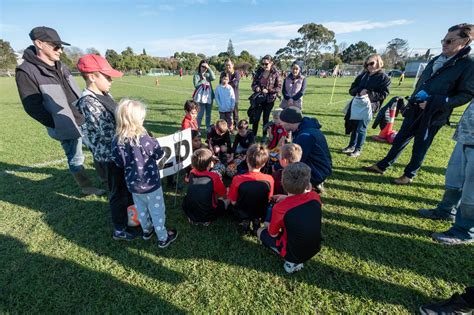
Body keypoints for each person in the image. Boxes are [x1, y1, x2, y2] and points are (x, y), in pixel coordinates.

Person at [364, 23, 474, 184]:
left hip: (433, 114)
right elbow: (422, 83)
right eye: (443, 40)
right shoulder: (436, 59)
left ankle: (409, 175)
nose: (444, 44)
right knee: (400, 138)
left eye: (450, 41)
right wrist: (412, 102)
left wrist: (436, 103)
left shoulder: (468, 64)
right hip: (415, 109)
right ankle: (382, 165)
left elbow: (466, 95)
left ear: (465, 41)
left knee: (420, 146)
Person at [15, 26, 104, 196]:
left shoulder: (62, 65)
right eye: (56, 46)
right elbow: (32, 106)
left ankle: (106, 178)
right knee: (76, 157)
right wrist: (56, 122)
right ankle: (87, 187)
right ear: (39, 43)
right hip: (64, 124)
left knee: (98, 149)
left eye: (61, 46)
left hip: (84, 117)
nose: (60, 50)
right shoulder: (25, 71)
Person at [75, 54, 136, 240]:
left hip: (121, 153)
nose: (111, 81)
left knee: (127, 189)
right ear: (92, 76)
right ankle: (120, 229)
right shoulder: (89, 102)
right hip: (110, 157)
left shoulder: (104, 94)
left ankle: (133, 218)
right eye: (107, 76)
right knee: (118, 193)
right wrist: (133, 127)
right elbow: (109, 133)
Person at [112, 99, 178, 248]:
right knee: (157, 210)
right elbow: (159, 153)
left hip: (133, 184)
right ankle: (163, 237)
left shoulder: (117, 140)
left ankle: (146, 231)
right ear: (136, 121)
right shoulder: (144, 139)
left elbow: (118, 161)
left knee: (140, 209)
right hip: (151, 184)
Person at [418, 100, 474, 244]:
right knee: (454, 179)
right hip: (465, 136)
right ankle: (446, 210)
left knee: (471, 193)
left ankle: (464, 232)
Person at [257, 162, 322, 274]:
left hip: (294, 253)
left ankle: (290, 262)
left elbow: (273, 234)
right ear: (308, 184)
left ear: (282, 183)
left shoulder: (280, 208)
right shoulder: (315, 197)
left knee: (260, 231)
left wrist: (269, 223)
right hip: (315, 246)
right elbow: (299, 202)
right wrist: (286, 198)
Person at [342, 54, 391, 158]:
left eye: (371, 63)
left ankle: (358, 149)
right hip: (356, 104)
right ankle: (351, 146)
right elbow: (352, 89)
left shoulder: (384, 78)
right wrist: (359, 91)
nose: (369, 66)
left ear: (378, 62)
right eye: (367, 64)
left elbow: (383, 94)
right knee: (354, 126)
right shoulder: (362, 75)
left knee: (361, 128)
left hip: (370, 106)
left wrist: (368, 93)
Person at [279, 106, 332, 193]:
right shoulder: (304, 129)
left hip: (318, 171)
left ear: (290, 122)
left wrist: (277, 166)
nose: (281, 125)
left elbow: (295, 159)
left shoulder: (305, 136)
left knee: (287, 174)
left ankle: (311, 184)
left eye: (282, 123)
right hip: (320, 167)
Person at [228, 144, 274, 234]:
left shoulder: (237, 179)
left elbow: (233, 201)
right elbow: (269, 199)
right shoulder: (269, 179)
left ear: (247, 159)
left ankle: (246, 222)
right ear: (264, 163)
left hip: (242, 210)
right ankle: (256, 222)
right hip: (260, 210)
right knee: (257, 210)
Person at [183, 148, 229, 225]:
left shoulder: (192, 172)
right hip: (208, 214)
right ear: (210, 163)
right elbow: (223, 194)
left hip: (190, 212)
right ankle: (206, 220)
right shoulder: (214, 176)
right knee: (228, 196)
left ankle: (193, 219)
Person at [251, 55, 282, 141]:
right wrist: (256, 87)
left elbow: (279, 87)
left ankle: (264, 135)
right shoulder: (259, 71)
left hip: (269, 99)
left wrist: (268, 90)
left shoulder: (275, 73)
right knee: (256, 117)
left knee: (266, 118)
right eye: (263, 63)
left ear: (271, 63)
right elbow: (253, 83)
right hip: (259, 98)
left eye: (266, 64)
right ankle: (253, 135)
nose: (264, 65)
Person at [193, 59, 216, 130]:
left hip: (209, 97)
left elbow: (214, 78)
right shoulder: (197, 75)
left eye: (205, 67)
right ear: (200, 66)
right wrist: (202, 80)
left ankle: (207, 127)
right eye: (203, 66)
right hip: (200, 98)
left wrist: (209, 68)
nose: (204, 68)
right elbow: (196, 85)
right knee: (200, 114)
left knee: (208, 114)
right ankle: (197, 128)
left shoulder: (208, 74)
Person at [221, 59, 241, 129]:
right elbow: (220, 84)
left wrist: (226, 82)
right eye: (226, 65)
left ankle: (236, 125)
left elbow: (235, 83)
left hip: (234, 96)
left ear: (232, 65)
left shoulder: (236, 73)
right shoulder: (223, 73)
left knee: (235, 113)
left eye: (229, 65)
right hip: (225, 96)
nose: (227, 66)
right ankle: (226, 125)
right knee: (226, 112)